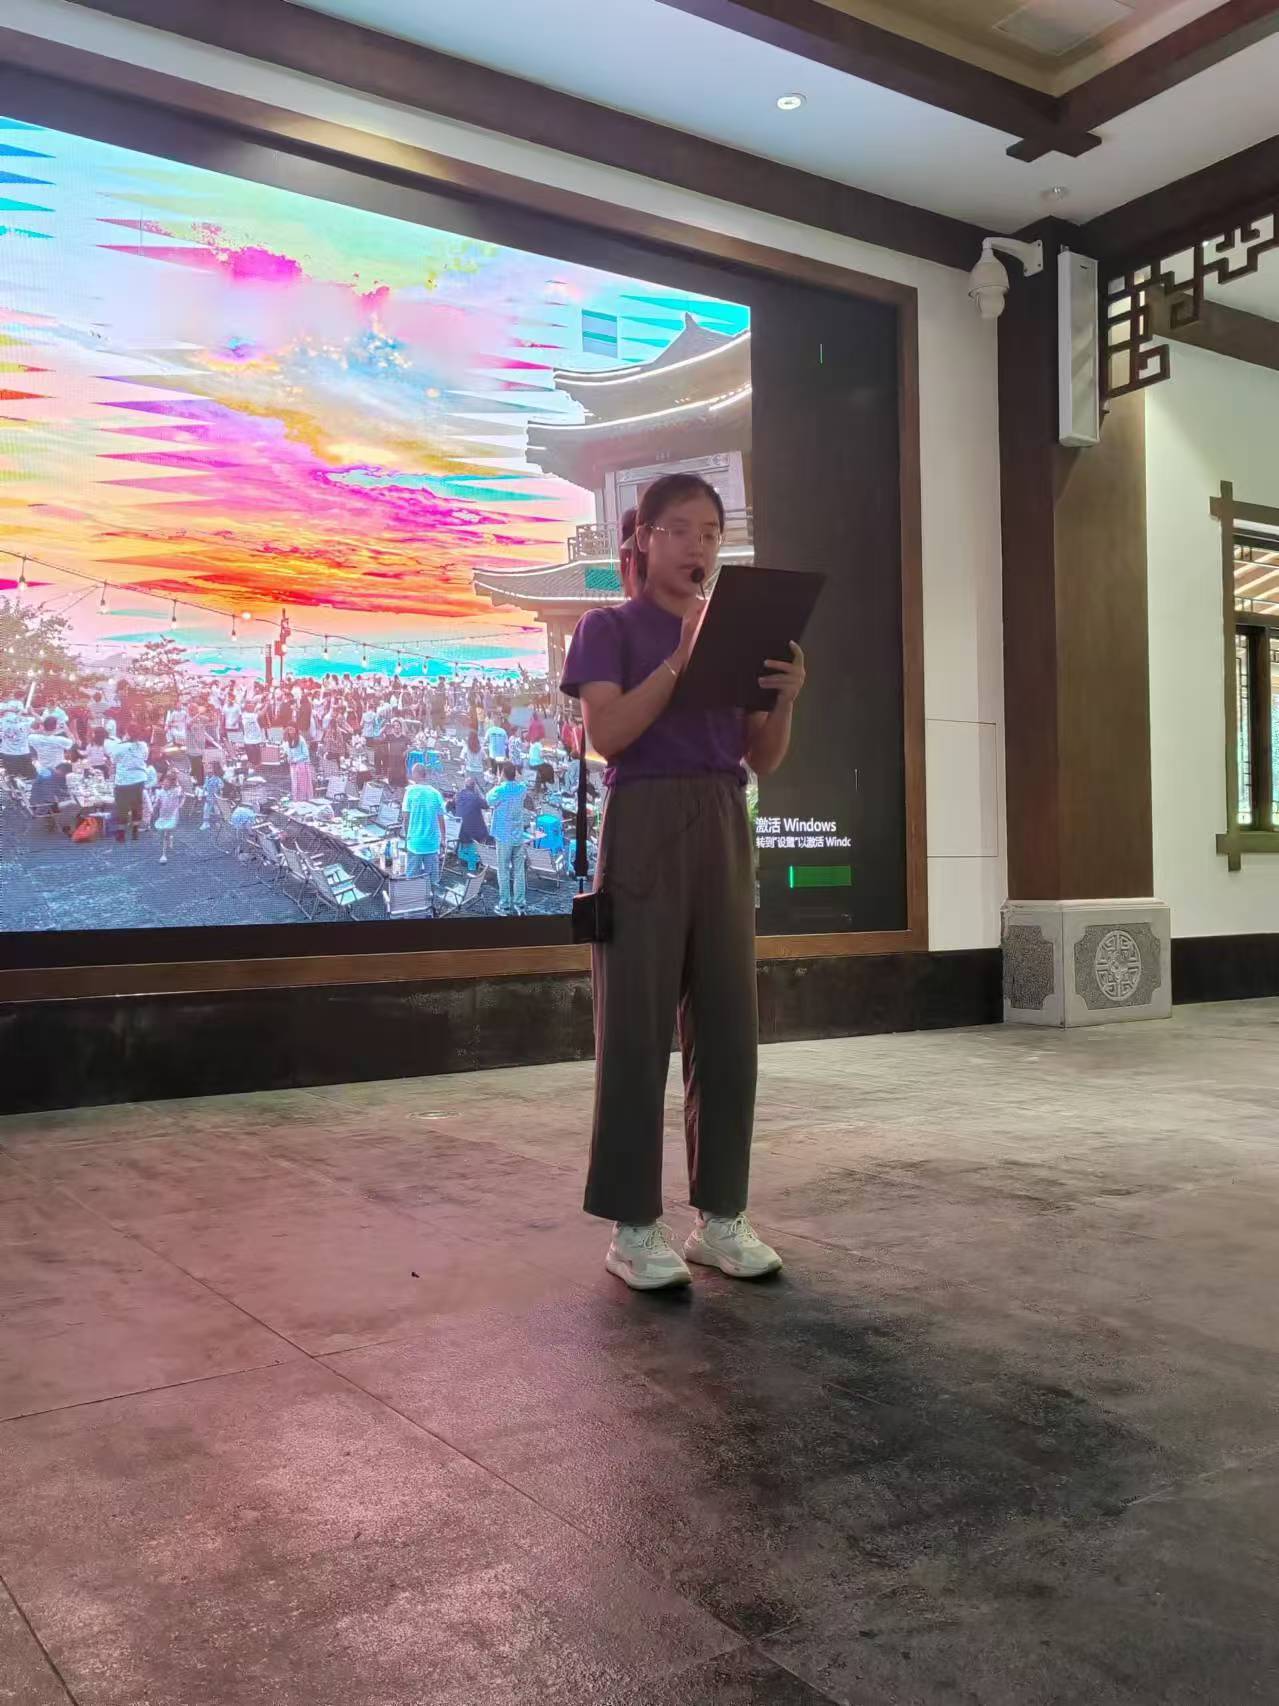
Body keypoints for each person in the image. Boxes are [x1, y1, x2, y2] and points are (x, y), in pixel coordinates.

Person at [561, 472, 807, 1291]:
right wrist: (680, 658)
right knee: (635, 1026)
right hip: (645, 818)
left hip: (722, 814)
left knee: (730, 1024)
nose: (697, 546)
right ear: (642, 538)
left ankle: (721, 1216)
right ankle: (633, 1227)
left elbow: (758, 756)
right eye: (679, 529)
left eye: (710, 531)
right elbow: (608, 736)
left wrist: (785, 701)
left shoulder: (736, 634)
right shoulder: (607, 628)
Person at [486, 760, 529, 917]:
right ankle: (520, 904)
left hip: (503, 836)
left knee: (503, 870)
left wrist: (498, 781)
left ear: (502, 773)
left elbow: (488, 799)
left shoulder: (500, 790)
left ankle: (504, 905)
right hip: (518, 835)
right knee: (519, 871)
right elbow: (522, 782)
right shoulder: (521, 789)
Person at [402, 761, 446, 911]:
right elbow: (441, 819)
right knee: (432, 878)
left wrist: (407, 836)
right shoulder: (436, 794)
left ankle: (412, 906)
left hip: (414, 842)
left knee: (412, 876)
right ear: (425, 775)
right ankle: (431, 906)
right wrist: (443, 838)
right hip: (431, 843)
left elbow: (406, 818)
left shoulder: (410, 792)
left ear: (416, 774)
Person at [105, 723, 152, 843]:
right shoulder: (143, 745)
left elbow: (114, 760)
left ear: (127, 733)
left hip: (124, 780)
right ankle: (135, 830)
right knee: (137, 805)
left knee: (122, 807)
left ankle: (121, 833)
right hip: (139, 778)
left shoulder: (119, 746)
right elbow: (145, 758)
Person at [452, 772, 490, 871]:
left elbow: (450, 805)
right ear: (474, 787)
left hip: (459, 831)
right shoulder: (475, 797)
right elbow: (486, 805)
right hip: (474, 833)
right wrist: (479, 793)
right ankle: (481, 860)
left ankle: (460, 855)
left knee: (470, 824)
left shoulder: (458, 795)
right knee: (486, 832)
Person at [30, 762, 75, 834]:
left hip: (36, 797)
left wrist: (66, 794)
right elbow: (49, 798)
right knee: (73, 805)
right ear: (62, 772)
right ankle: (65, 826)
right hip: (42, 805)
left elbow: (55, 789)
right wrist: (63, 799)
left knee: (70, 800)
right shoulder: (49, 779)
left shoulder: (49, 771)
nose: (64, 777)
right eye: (65, 775)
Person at [151, 768, 183, 864]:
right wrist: (153, 809)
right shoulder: (160, 792)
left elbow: (183, 795)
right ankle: (170, 837)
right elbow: (157, 803)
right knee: (163, 833)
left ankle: (163, 854)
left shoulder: (176, 791)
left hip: (172, 815)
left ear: (171, 784)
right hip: (163, 816)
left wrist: (180, 805)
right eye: (163, 783)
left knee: (165, 833)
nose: (164, 784)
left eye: (166, 783)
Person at [0, 700, 35, 780]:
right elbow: (40, 721)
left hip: (8, 753)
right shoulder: (26, 720)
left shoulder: (2, 721)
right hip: (23, 753)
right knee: (29, 777)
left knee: (12, 776)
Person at [285, 725, 314, 801]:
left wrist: (295, 760)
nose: (290, 731)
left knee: (302, 785)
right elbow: (289, 752)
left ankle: (304, 800)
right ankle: (296, 800)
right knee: (295, 784)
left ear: (296, 730)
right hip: (293, 766)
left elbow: (306, 755)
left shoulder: (301, 740)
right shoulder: (289, 740)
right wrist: (289, 758)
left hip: (302, 765)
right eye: (289, 730)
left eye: (292, 729)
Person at [200, 760, 225, 831]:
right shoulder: (207, 778)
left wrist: (219, 791)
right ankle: (206, 823)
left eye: (210, 768)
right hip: (209, 797)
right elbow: (205, 786)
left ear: (214, 770)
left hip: (215, 797)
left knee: (216, 809)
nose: (207, 770)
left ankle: (217, 822)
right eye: (207, 768)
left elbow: (221, 786)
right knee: (206, 809)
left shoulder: (217, 779)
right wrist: (203, 791)